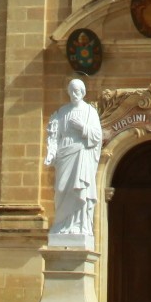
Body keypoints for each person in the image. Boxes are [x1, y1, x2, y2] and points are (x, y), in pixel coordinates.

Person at [45, 78, 103, 245]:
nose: (74, 94)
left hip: (81, 155)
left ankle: (79, 225)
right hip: (65, 155)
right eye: (71, 91)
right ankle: (62, 225)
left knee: (79, 190)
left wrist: (81, 127)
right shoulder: (62, 112)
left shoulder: (90, 111)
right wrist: (51, 153)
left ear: (83, 92)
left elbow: (97, 136)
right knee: (62, 188)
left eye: (77, 91)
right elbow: (54, 136)